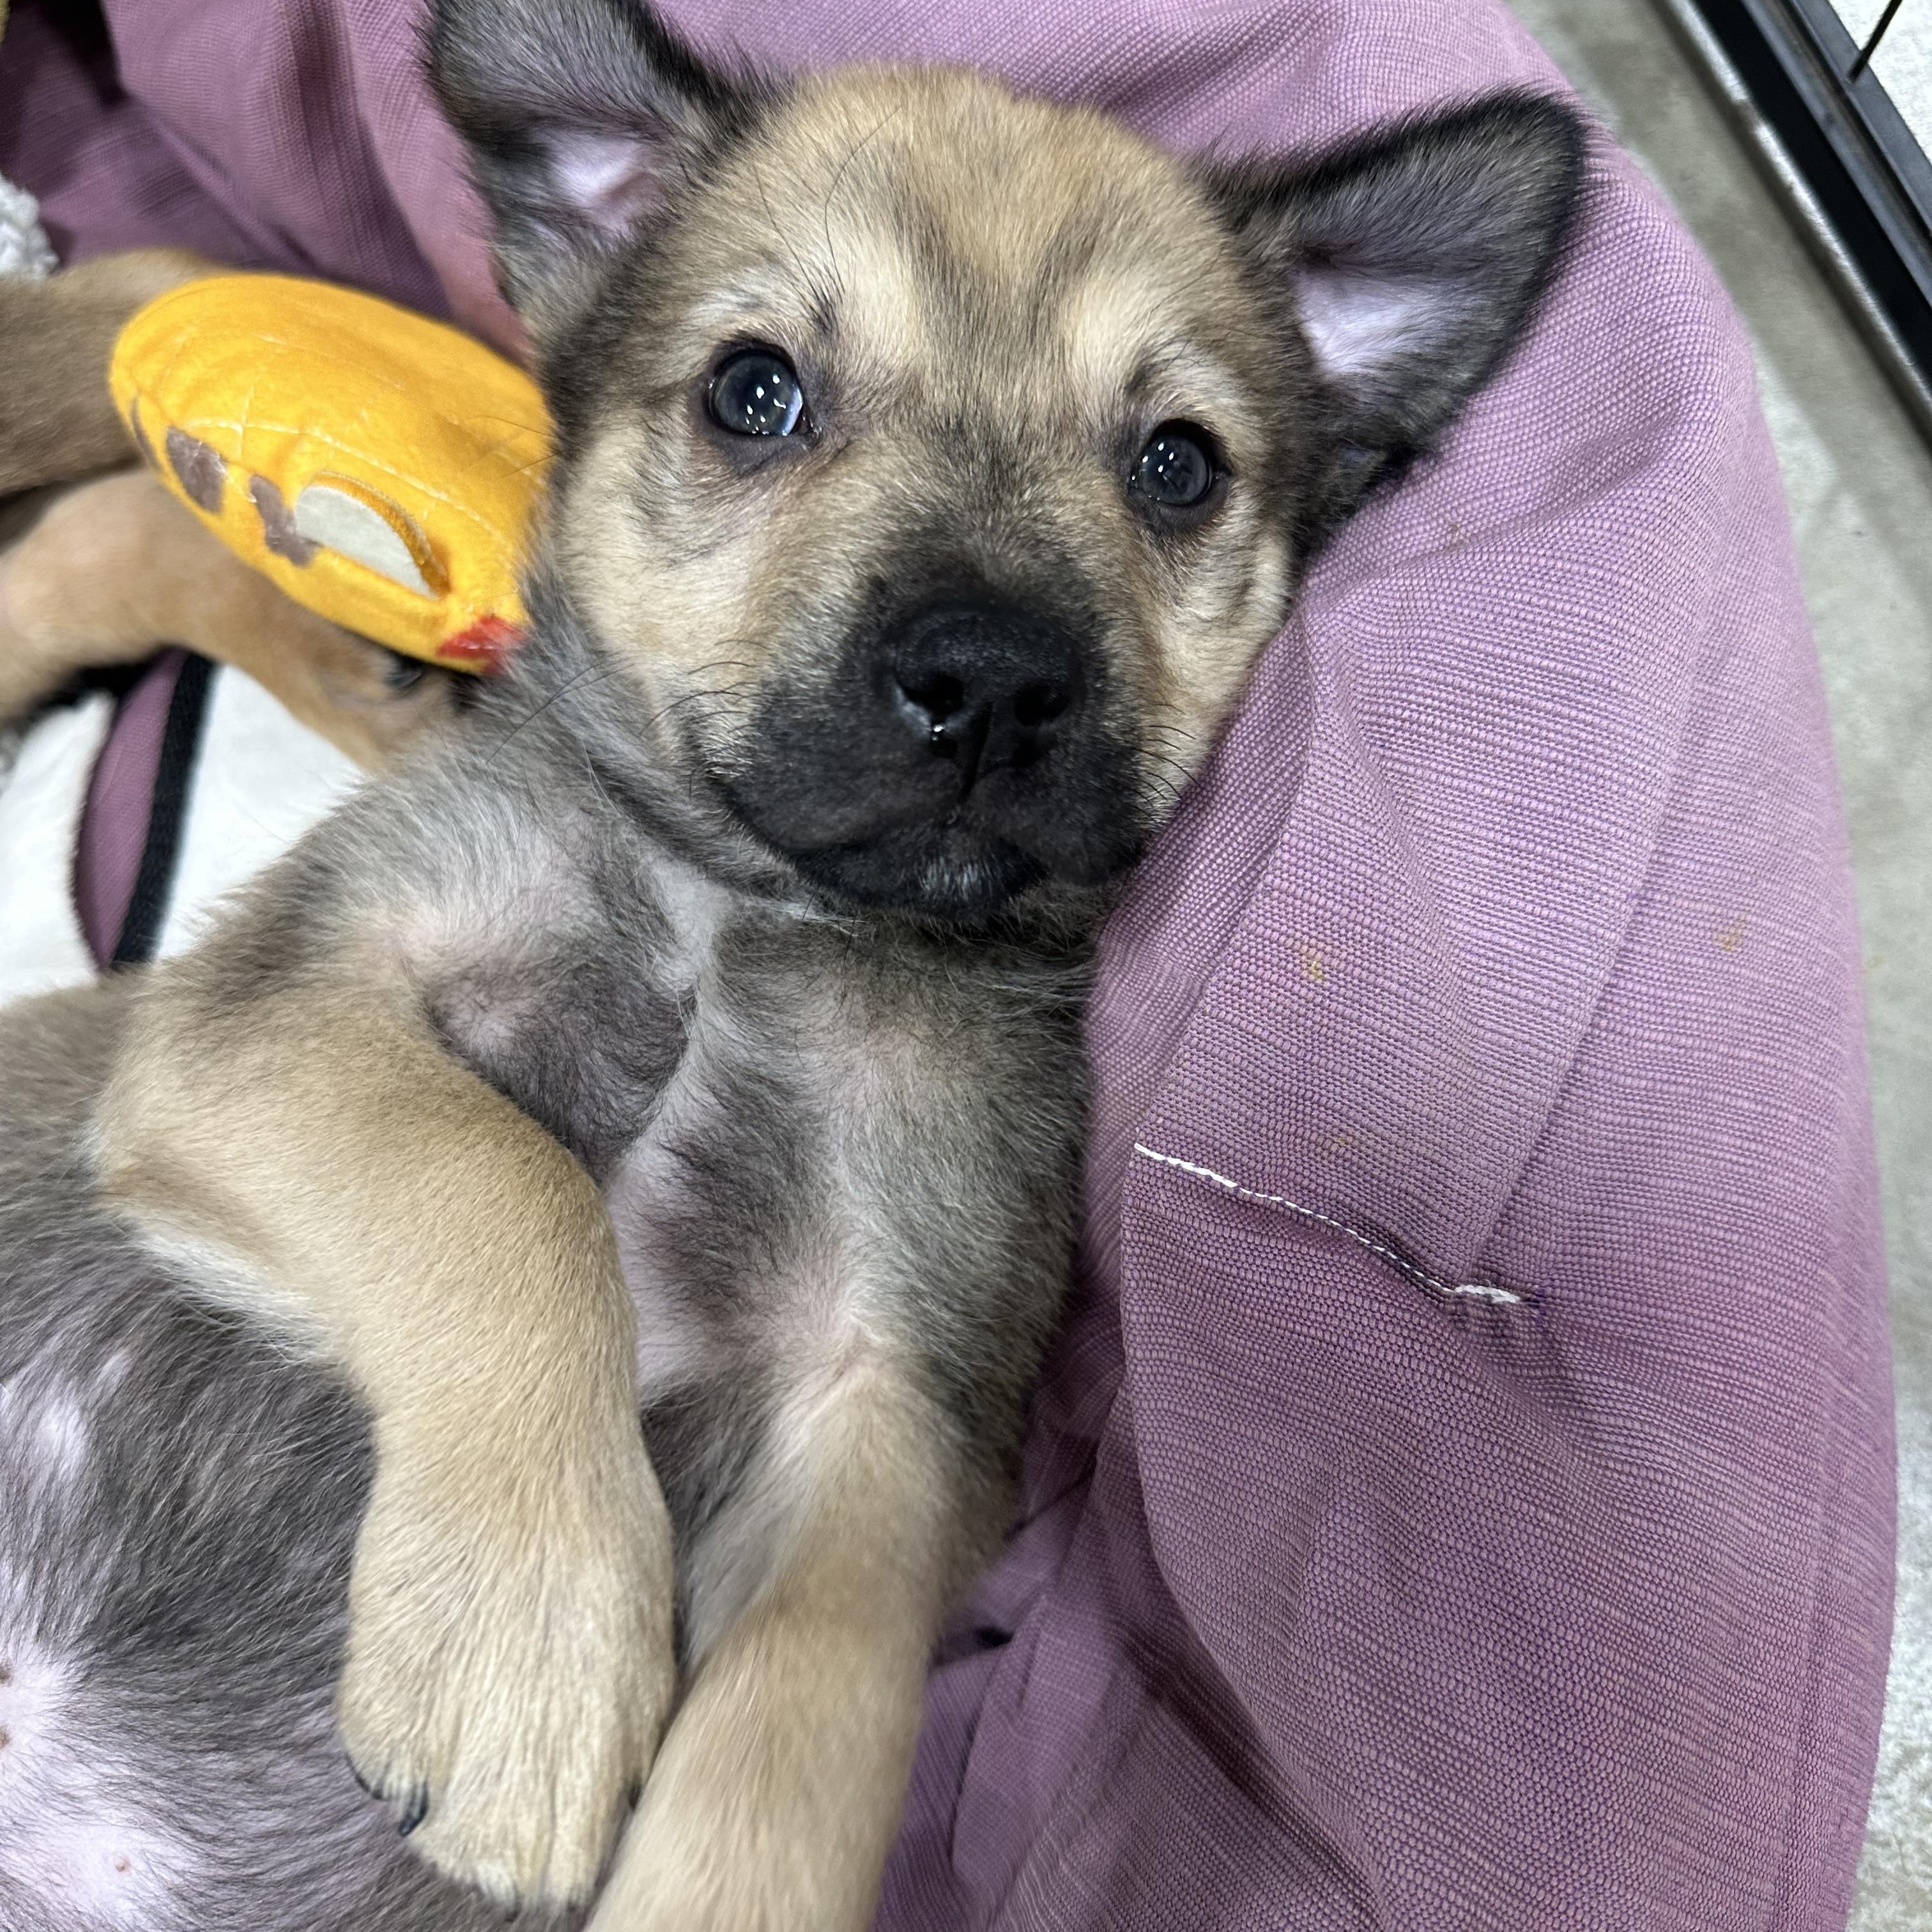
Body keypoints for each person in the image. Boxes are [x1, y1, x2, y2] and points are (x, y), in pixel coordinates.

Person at [0, 2, 1893, 1925]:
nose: (987, 620)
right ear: (580, 263)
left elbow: (877, 1503)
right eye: (762, 398)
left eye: (1166, 469)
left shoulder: (994, 1071)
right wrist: (519, 1428)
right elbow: (219, 1091)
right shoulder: (529, 808)